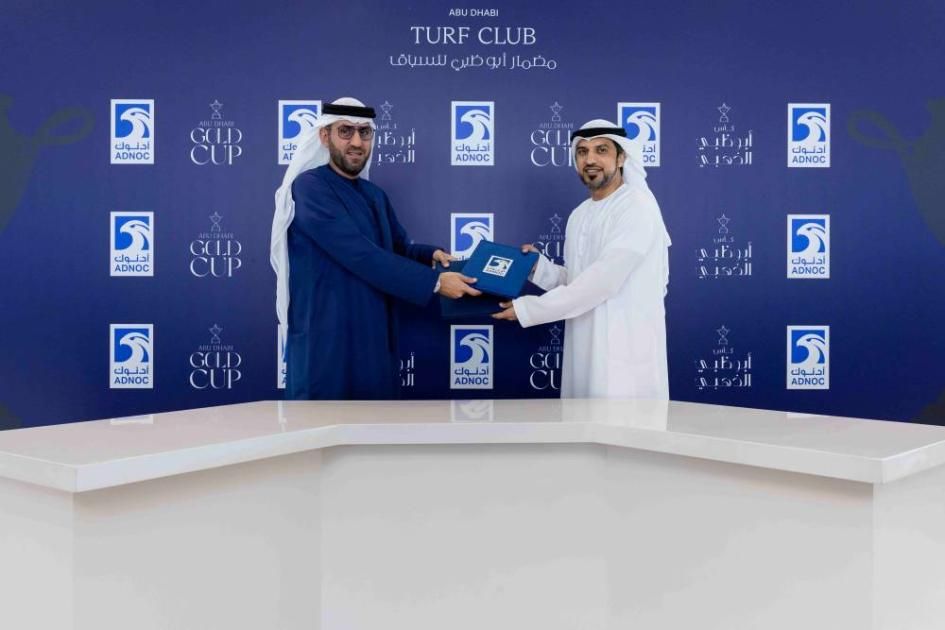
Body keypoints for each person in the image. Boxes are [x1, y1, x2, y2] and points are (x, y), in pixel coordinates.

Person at [271, 97, 480, 399]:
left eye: (364, 132)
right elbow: (360, 254)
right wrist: (435, 282)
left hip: (373, 336)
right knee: (321, 422)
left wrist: (429, 256)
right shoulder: (309, 187)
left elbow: (395, 247)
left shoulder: (374, 194)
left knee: (375, 422)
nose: (357, 142)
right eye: (345, 131)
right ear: (324, 136)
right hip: (326, 338)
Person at [493, 119, 672, 399]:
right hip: (583, 350)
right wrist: (538, 267)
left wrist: (529, 310)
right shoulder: (579, 214)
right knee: (581, 423)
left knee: (624, 423)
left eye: (601, 150)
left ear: (621, 157)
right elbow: (578, 279)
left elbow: (602, 282)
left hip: (625, 355)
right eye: (582, 152)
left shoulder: (637, 206)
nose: (590, 160)